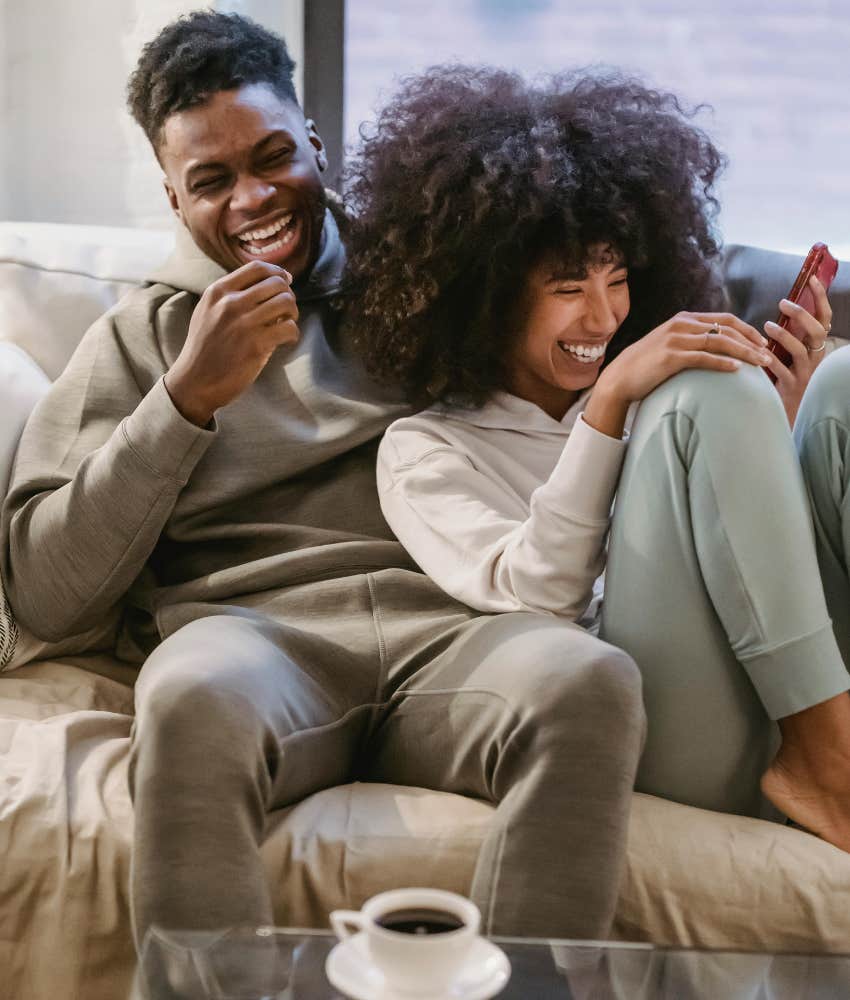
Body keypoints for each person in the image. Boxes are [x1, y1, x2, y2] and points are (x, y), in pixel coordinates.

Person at [0, 13, 645, 951]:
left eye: (273, 158)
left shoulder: (430, 267)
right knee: (188, 697)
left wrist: (750, 387)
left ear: (314, 141)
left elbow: (587, 328)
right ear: (175, 201)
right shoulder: (140, 339)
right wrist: (185, 399)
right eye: (212, 181)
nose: (254, 198)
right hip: (252, 643)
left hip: (457, 631)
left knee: (592, 680)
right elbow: (47, 594)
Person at [343, 66, 850, 850]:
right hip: (669, 728)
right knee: (706, 393)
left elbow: (749, 569)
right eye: (568, 285)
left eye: (616, 279)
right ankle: (828, 762)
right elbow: (537, 600)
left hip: (786, 685)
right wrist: (610, 404)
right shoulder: (425, 450)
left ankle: (824, 739)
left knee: (841, 382)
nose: (605, 313)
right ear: (484, 290)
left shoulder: (661, 402)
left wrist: (777, 424)